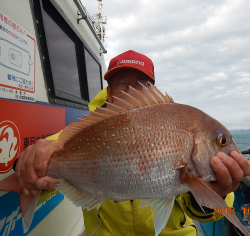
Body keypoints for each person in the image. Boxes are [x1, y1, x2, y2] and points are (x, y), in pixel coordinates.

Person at [14, 50, 250, 235]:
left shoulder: (177, 122)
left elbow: (210, 210)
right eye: (122, 82)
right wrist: (27, 163)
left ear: (152, 89)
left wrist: (217, 193)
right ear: (109, 92)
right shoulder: (81, 134)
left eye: (141, 83)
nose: (131, 90)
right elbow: (46, 153)